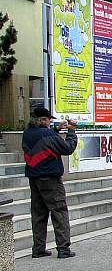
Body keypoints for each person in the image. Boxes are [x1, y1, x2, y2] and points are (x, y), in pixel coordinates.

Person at [22, 108, 78, 259]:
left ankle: (38, 248)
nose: (49, 123)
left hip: (34, 177)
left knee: (38, 213)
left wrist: (55, 129)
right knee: (59, 211)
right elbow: (67, 148)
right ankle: (63, 248)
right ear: (42, 120)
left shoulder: (27, 133)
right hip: (51, 178)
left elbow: (42, 139)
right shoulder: (47, 134)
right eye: (48, 120)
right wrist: (71, 132)